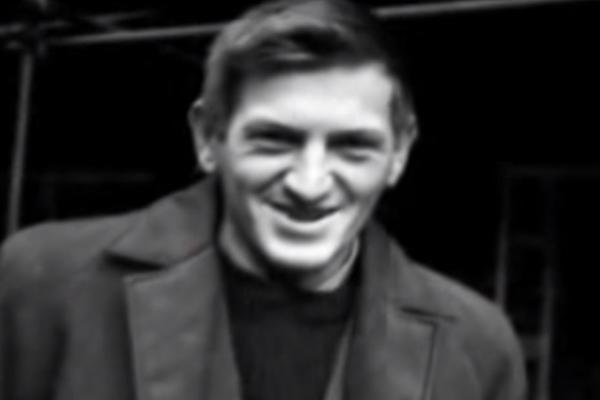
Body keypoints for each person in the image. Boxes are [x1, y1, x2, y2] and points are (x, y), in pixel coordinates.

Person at [0, 0, 527, 399]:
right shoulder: (40, 284)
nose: (309, 184)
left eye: (352, 146)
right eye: (275, 140)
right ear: (209, 137)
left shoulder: (477, 345)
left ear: (399, 153)